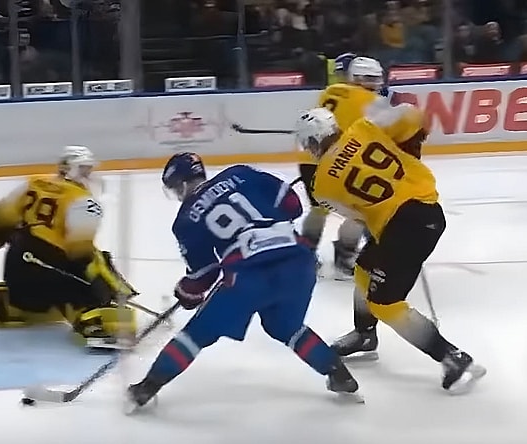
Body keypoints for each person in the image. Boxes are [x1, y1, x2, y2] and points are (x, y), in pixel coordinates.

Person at [125, 152, 362, 412]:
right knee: (285, 326)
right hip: (299, 262)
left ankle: (146, 387)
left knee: (197, 334)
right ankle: (338, 374)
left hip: (249, 274)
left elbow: (203, 274)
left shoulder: (185, 220)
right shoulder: (241, 173)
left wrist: (187, 292)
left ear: (181, 184)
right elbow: (293, 205)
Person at [294, 105, 486, 393]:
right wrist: (415, 138)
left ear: (313, 141)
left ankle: (453, 359)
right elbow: (409, 112)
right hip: (424, 211)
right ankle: (364, 335)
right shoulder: (363, 128)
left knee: (385, 303)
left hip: (404, 228)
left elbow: (357, 216)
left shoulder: (321, 186)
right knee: (364, 269)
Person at [0, 145, 137, 346]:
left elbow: (0, 218)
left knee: (37, 289)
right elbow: (80, 253)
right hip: (49, 273)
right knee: (91, 272)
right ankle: (95, 322)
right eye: (84, 169)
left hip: (15, 268)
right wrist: (104, 288)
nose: (88, 174)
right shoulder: (84, 202)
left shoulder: (32, 184)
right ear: (71, 169)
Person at [299, 56, 390, 280]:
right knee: (360, 211)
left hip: (309, 158)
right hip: (339, 162)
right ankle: (344, 259)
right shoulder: (374, 103)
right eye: (373, 79)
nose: (377, 83)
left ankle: (304, 256)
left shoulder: (330, 91)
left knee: (318, 209)